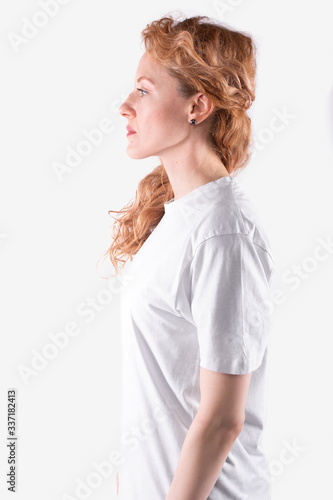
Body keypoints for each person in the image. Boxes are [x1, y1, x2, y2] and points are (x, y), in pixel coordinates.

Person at [101, 12, 275, 500]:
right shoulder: (181, 219)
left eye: (143, 90)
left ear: (197, 105)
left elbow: (222, 419)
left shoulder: (224, 232)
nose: (124, 105)